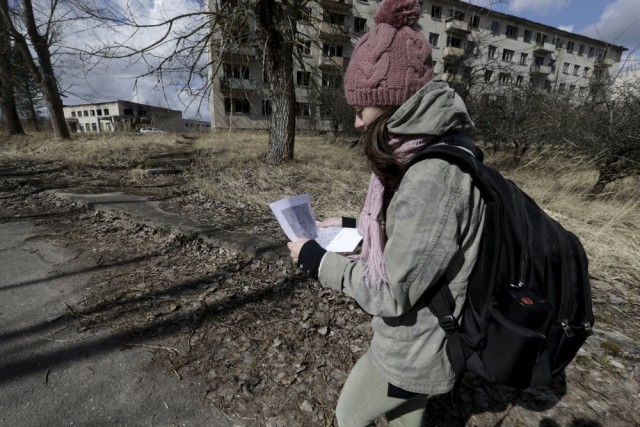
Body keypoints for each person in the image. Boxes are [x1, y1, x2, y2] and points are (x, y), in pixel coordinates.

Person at [287, 0, 485, 425]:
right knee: (406, 419)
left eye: (361, 109)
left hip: (417, 348)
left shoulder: (431, 179)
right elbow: (409, 240)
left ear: (391, 101)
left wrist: (316, 260)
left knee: (349, 414)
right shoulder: (420, 156)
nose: (357, 123)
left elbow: (390, 292)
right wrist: (344, 225)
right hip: (422, 337)